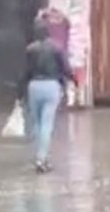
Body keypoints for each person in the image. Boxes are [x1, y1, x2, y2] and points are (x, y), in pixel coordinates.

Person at [22, 20, 75, 174]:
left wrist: (20, 92)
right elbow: (65, 68)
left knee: (36, 123)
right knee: (47, 124)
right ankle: (42, 158)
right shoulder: (57, 48)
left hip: (34, 86)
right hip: (51, 86)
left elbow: (25, 72)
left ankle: (39, 155)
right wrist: (72, 80)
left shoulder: (30, 49)